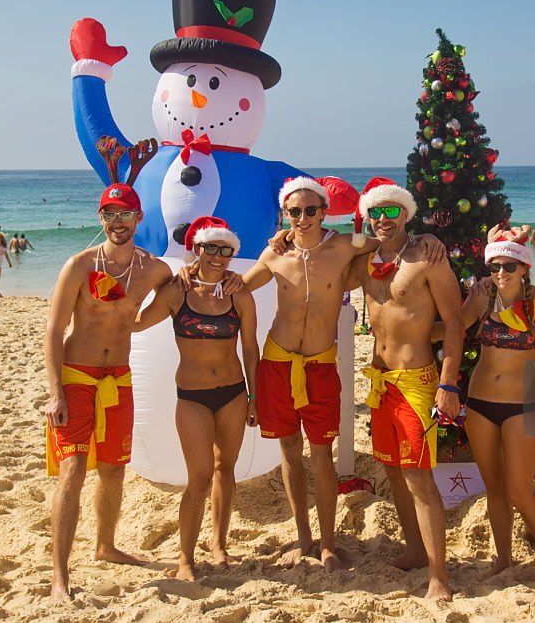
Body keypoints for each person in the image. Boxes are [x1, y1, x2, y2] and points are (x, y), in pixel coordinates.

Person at [200, 177, 443, 574]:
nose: (303, 218)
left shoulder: (345, 245)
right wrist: (198, 269)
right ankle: (303, 537)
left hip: (320, 365)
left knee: (322, 457)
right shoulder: (275, 254)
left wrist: (429, 236)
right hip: (277, 363)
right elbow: (237, 287)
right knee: (290, 454)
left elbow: (392, 239)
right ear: (285, 214)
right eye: (294, 212)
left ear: (324, 211)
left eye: (311, 210)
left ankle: (328, 543)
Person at [44, 138, 170, 602]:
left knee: (114, 471)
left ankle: (107, 546)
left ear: (139, 219)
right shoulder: (77, 266)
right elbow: (54, 331)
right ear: (102, 219)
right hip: (76, 377)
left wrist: (143, 320)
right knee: (73, 470)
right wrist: (55, 391)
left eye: (126, 214)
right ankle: (60, 577)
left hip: (118, 378)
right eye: (110, 215)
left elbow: (182, 290)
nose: (117, 222)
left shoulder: (152, 269)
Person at [346, 177, 463, 600]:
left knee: (418, 477)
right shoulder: (363, 262)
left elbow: (454, 323)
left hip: (417, 381)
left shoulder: (427, 257)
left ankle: (439, 577)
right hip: (380, 381)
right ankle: (415, 549)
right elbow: (321, 265)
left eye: (391, 210)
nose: (382, 219)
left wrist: (449, 383)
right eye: (375, 212)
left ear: (406, 214)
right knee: (393, 470)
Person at [135, 217, 257, 581]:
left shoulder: (240, 294)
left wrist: (255, 397)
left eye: (226, 250)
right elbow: (138, 322)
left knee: (226, 470)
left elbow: (251, 349)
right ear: (197, 249)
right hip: (192, 396)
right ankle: (185, 559)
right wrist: (114, 296)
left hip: (234, 393)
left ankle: (219, 546)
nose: (218, 257)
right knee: (200, 476)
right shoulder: (176, 292)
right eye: (210, 248)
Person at [434, 225, 535, 579]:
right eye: (494, 266)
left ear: (524, 268)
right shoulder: (483, 297)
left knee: (520, 491)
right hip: (480, 403)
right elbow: (455, 328)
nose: (501, 273)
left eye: (509, 266)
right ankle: (503, 559)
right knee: (495, 489)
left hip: (523, 407)